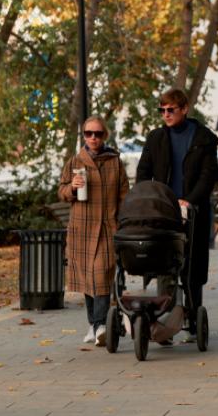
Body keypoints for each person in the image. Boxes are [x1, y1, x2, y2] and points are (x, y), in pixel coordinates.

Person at [136, 88, 218, 342]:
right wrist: (147, 198)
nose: (165, 114)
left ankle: (193, 319)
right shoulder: (156, 138)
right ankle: (165, 323)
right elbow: (143, 171)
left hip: (193, 212)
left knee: (192, 266)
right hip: (163, 212)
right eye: (161, 110)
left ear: (184, 109)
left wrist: (190, 200)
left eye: (170, 109)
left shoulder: (204, 139)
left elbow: (208, 176)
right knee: (165, 265)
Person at [58, 116, 129, 346]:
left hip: (107, 228)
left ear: (104, 136)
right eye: (89, 133)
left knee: (101, 276)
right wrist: (71, 188)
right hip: (82, 229)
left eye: (98, 134)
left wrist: (123, 222)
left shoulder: (115, 162)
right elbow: (61, 191)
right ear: (84, 136)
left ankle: (100, 325)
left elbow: (124, 195)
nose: (93, 138)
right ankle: (94, 324)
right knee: (87, 279)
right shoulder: (75, 161)